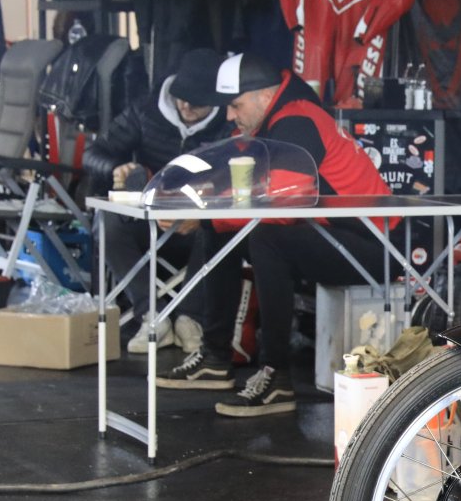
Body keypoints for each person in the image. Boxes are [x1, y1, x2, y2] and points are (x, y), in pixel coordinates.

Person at [157, 53, 393, 417]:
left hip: (375, 247)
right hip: (334, 233)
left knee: (265, 238)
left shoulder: (296, 120)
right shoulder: (266, 121)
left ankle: (276, 376)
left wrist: (206, 219)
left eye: (235, 105)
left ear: (265, 96)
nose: (228, 116)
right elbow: (232, 189)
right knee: (219, 230)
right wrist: (195, 205)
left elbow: (283, 209)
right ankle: (215, 358)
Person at [85, 48, 231, 352]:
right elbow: (93, 153)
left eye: (197, 102)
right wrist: (116, 168)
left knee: (221, 224)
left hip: (198, 227)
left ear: (216, 101)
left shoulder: (229, 125)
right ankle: (151, 315)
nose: (186, 106)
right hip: (148, 223)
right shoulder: (145, 111)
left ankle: (191, 318)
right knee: (106, 220)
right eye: (182, 98)